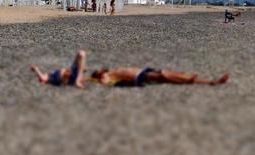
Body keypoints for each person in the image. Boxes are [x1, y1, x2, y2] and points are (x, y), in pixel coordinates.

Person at [88, 66, 229, 87]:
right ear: (98, 74)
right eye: (98, 70)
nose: (100, 68)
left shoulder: (111, 70)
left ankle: (210, 82)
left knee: (170, 73)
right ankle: (191, 81)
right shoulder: (105, 77)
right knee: (163, 75)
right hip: (139, 77)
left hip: (143, 71)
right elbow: (106, 83)